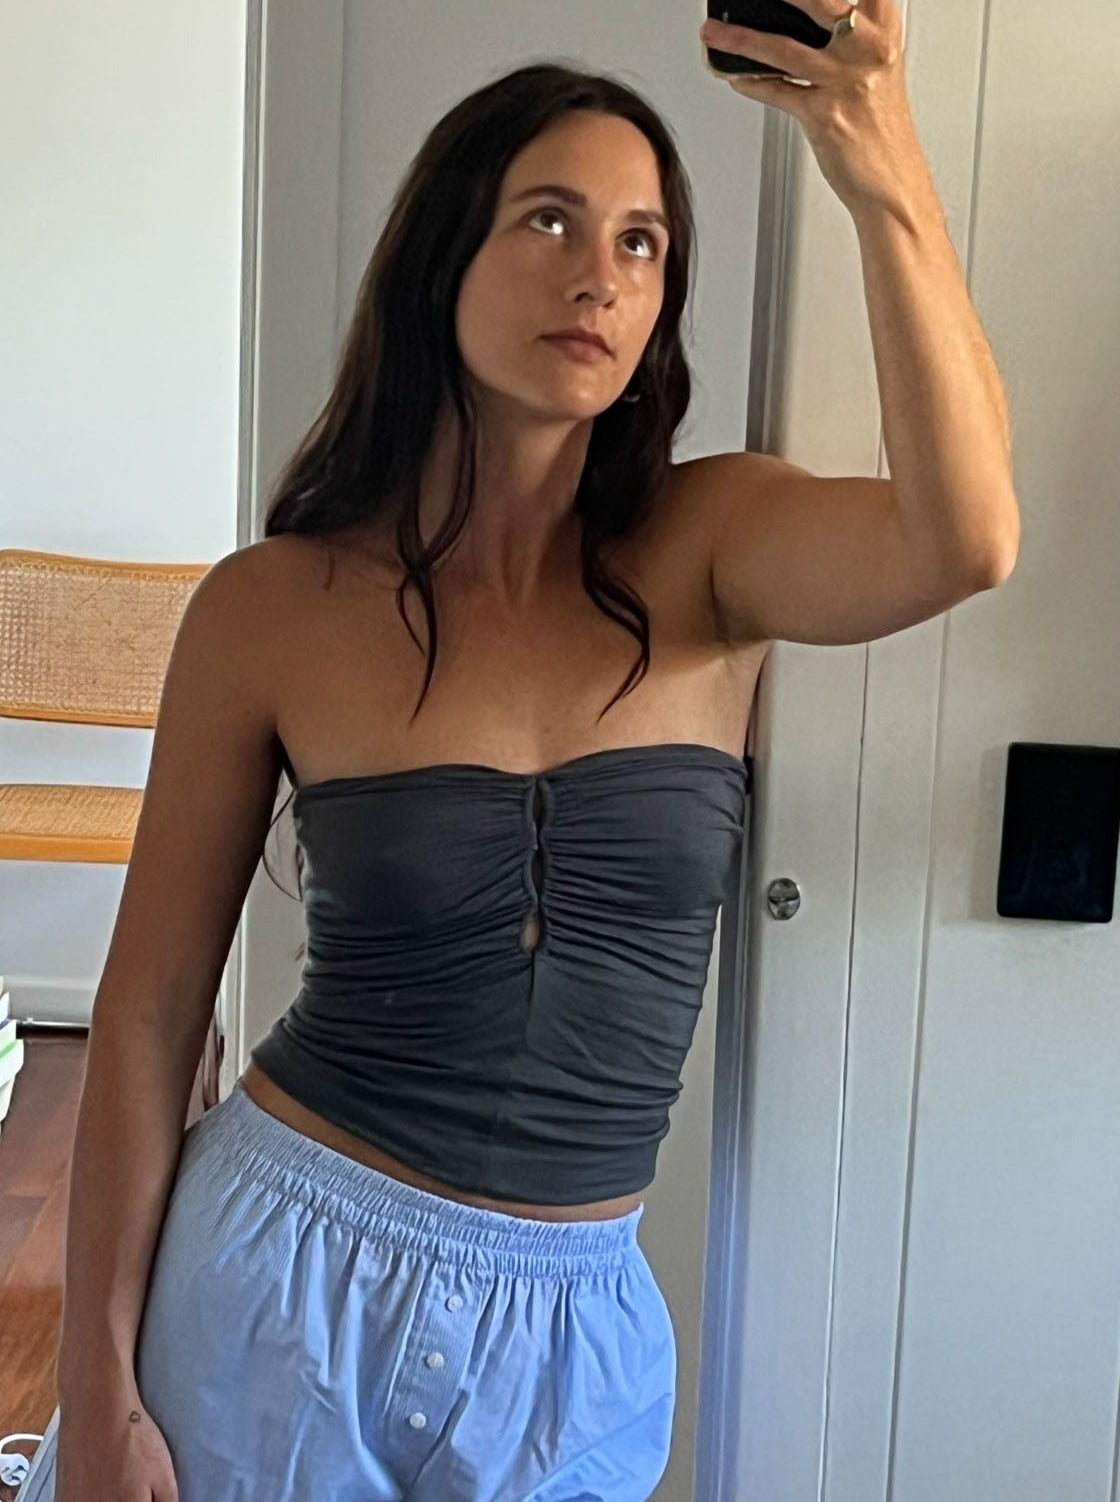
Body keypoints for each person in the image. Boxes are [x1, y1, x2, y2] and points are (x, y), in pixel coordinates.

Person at [24, 2, 1018, 1496]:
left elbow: (968, 537)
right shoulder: (273, 608)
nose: (598, 274)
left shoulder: (711, 546)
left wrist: (871, 149)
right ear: (445, 258)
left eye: (641, 242)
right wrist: (95, 1384)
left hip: (572, 1342)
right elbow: (151, 1012)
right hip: (280, 1281)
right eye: (549, 218)